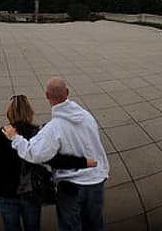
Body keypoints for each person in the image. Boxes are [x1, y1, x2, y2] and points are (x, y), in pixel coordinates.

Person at [6, 78, 110, 231]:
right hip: (96, 182)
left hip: (71, 187)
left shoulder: (53, 128)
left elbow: (33, 153)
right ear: (68, 92)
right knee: (95, 225)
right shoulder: (87, 117)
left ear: (47, 96)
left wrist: (15, 138)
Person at [0, 94, 97, 231]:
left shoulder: (2, 134)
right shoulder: (37, 133)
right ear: (30, 112)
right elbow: (54, 160)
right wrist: (84, 162)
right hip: (31, 192)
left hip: (6, 193)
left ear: (9, 112)